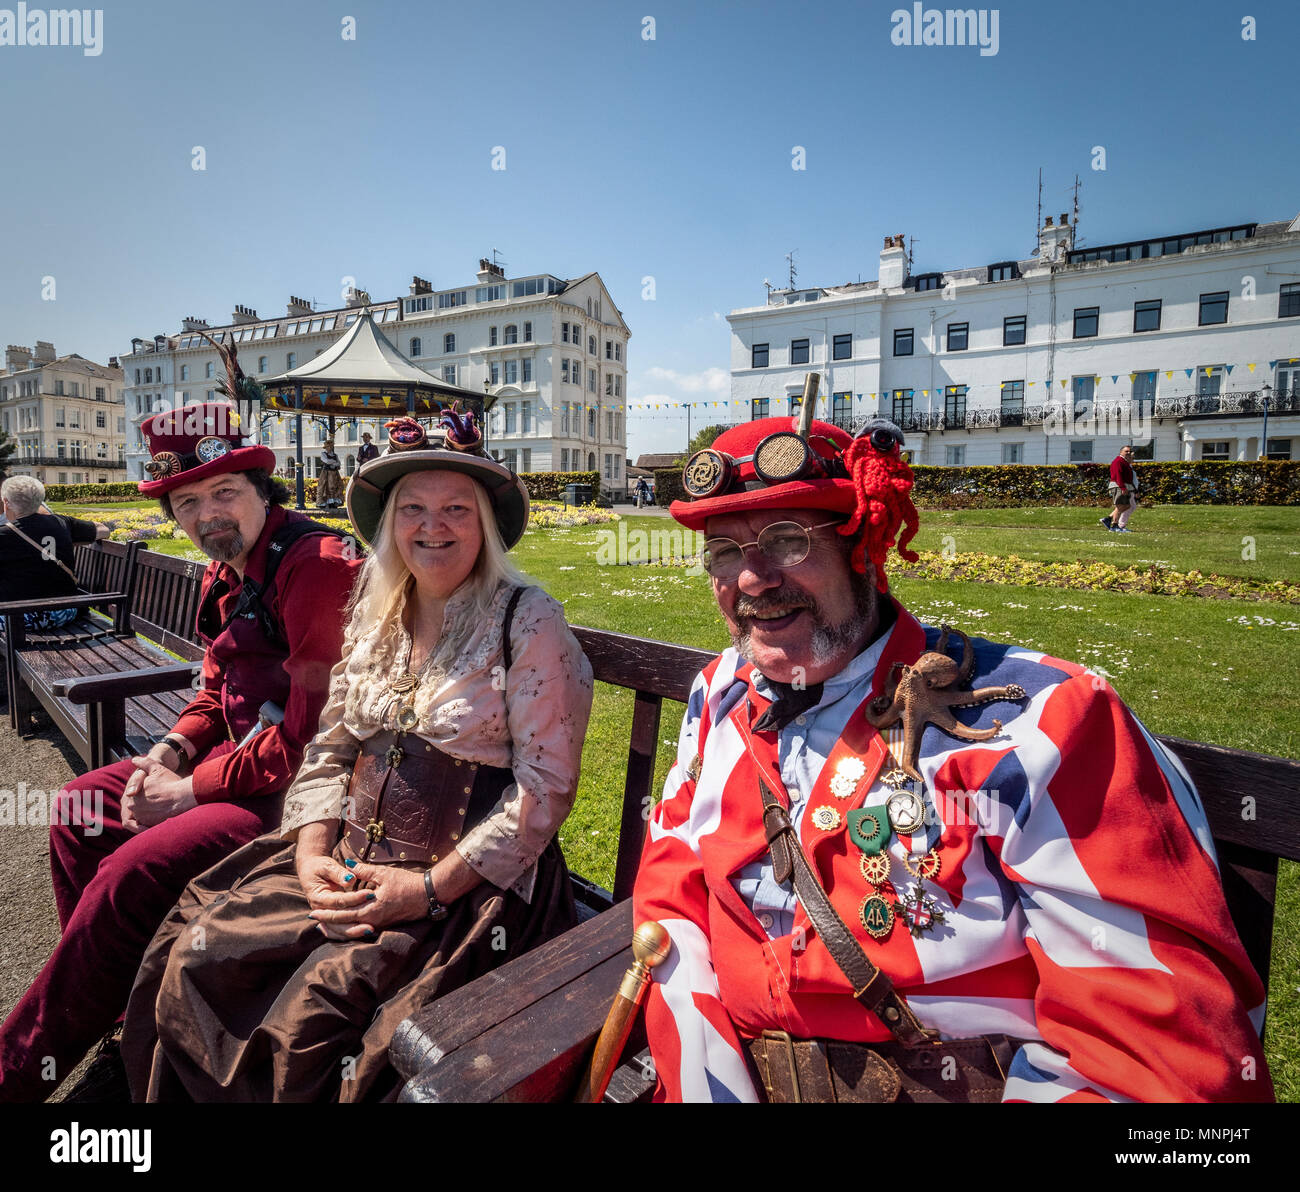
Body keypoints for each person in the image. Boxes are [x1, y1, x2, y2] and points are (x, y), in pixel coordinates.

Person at [632, 415, 1272, 1103]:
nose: (752, 579)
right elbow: (673, 895)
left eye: (788, 541)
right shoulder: (720, 695)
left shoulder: (1046, 725)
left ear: (864, 547)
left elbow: (1157, 1061)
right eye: (724, 551)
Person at [121, 412, 594, 1102]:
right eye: (413, 509)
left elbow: (544, 790)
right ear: (389, 522)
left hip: (468, 889)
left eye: (455, 508)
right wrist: (311, 856)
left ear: (485, 523)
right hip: (346, 858)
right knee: (195, 948)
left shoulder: (527, 619)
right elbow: (332, 745)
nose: (433, 526)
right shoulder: (375, 615)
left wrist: (425, 890)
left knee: (311, 1018)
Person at [0, 401, 361, 1102]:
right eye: (187, 502)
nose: (206, 515)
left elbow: (313, 741)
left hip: (308, 798)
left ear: (263, 489)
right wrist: (166, 753)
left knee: (132, 872)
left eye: (224, 492)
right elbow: (214, 687)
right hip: (240, 766)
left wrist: (189, 790)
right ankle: (125, 1013)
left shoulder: (314, 566)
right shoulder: (225, 567)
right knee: (80, 808)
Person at [0, 475, 109, 632]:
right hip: (65, 612)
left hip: (21, 618)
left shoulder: (4, 535)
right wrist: (67, 539)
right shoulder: (62, 522)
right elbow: (103, 530)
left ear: (6, 503)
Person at [1101, 444, 1138, 532]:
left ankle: (1108, 519)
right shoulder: (1118, 461)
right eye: (1126, 451)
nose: (1128, 453)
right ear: (1121, 452)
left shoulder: (1125, 462)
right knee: (1121, 505)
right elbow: (1118, 475)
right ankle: (1114, 526)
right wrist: (1123, 488)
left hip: (1125, 486)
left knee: (1127, 505)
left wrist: (1134, 490)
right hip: (1118, 486)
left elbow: (1129, 478)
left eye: (1129, 451)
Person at [317, 437, 344, 509]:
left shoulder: (335, 455)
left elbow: (339, 463)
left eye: (330, 446)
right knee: (325, 486)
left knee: (336, 486)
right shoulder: (323, 454)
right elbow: (326, 461)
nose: (328, 448)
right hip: (326, 473)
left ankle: (333, 502)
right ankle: (323, 502)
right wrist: (333, 462)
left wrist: (333, 463)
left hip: (334, 473)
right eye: (327, 447)